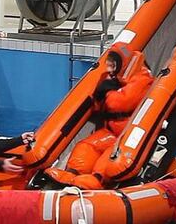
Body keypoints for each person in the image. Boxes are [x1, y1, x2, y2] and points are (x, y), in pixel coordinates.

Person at [45, 49, 153, 189]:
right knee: (85, 146)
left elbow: (120, 103)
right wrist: (102, 93)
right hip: (111, 132)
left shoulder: (143, 78)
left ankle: (97, 180)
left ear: (123, 64)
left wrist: (107, 92)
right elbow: (102, 105)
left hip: (127, 136)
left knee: (109, 158)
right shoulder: (115, 79)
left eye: (112, 64)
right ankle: (72, 174)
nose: (109, 68)